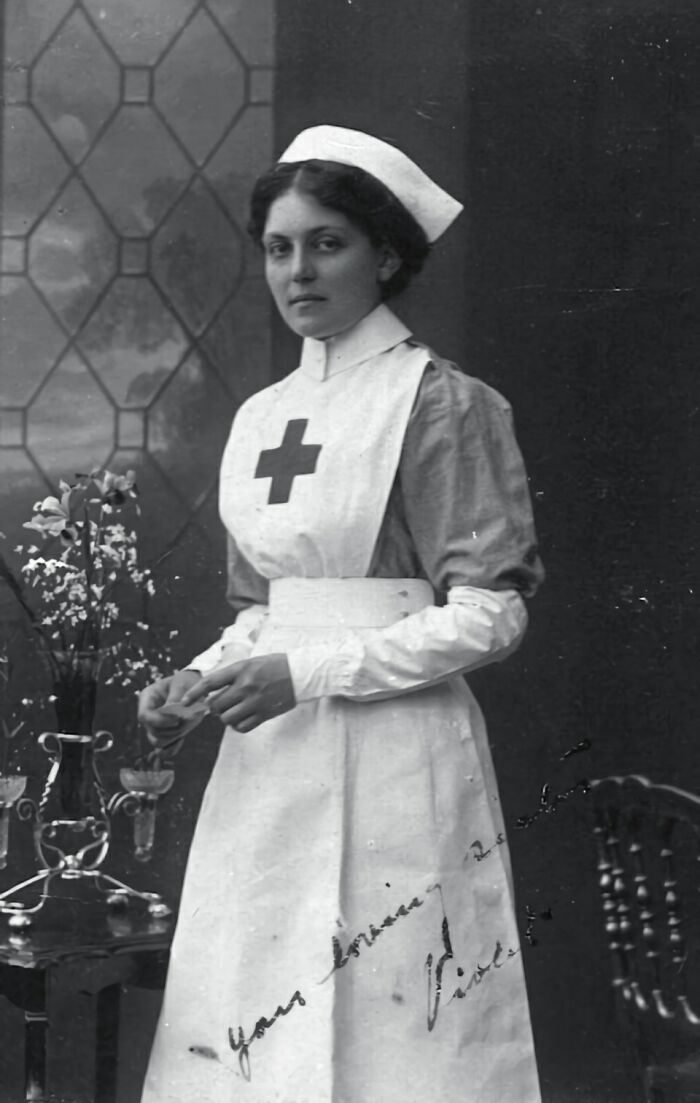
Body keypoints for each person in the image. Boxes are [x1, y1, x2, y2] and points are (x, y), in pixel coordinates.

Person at [138, 125, 544, 1103]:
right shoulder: (262, 417)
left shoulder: (442, 405)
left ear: (388, 253)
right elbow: (262, 610)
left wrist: (304, 674)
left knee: (395, 1028)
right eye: (279, 246)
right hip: (270, 765)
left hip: (399, 750)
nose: (297, 268)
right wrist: (198, 677)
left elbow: (492, 615)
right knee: (256, 1023)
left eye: (327, 241)